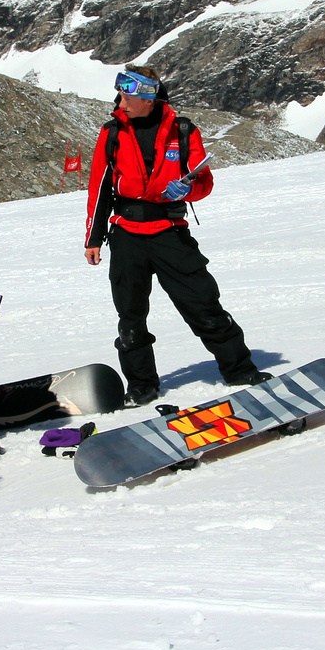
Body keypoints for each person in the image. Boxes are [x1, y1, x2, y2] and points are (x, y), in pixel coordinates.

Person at [85, 65, 270, 405]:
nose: (121, 103)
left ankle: (240, 369)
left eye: (128, 97)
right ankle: (142, 385)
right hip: (126, 234)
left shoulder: (182, 130)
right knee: (130, 316)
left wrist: (187, 188)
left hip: (170, 232)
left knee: (203, 304)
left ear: (148, 97)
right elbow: (99, 188)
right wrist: (93, 238)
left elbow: (205, 182)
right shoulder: (111, 132)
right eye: (121, 95)